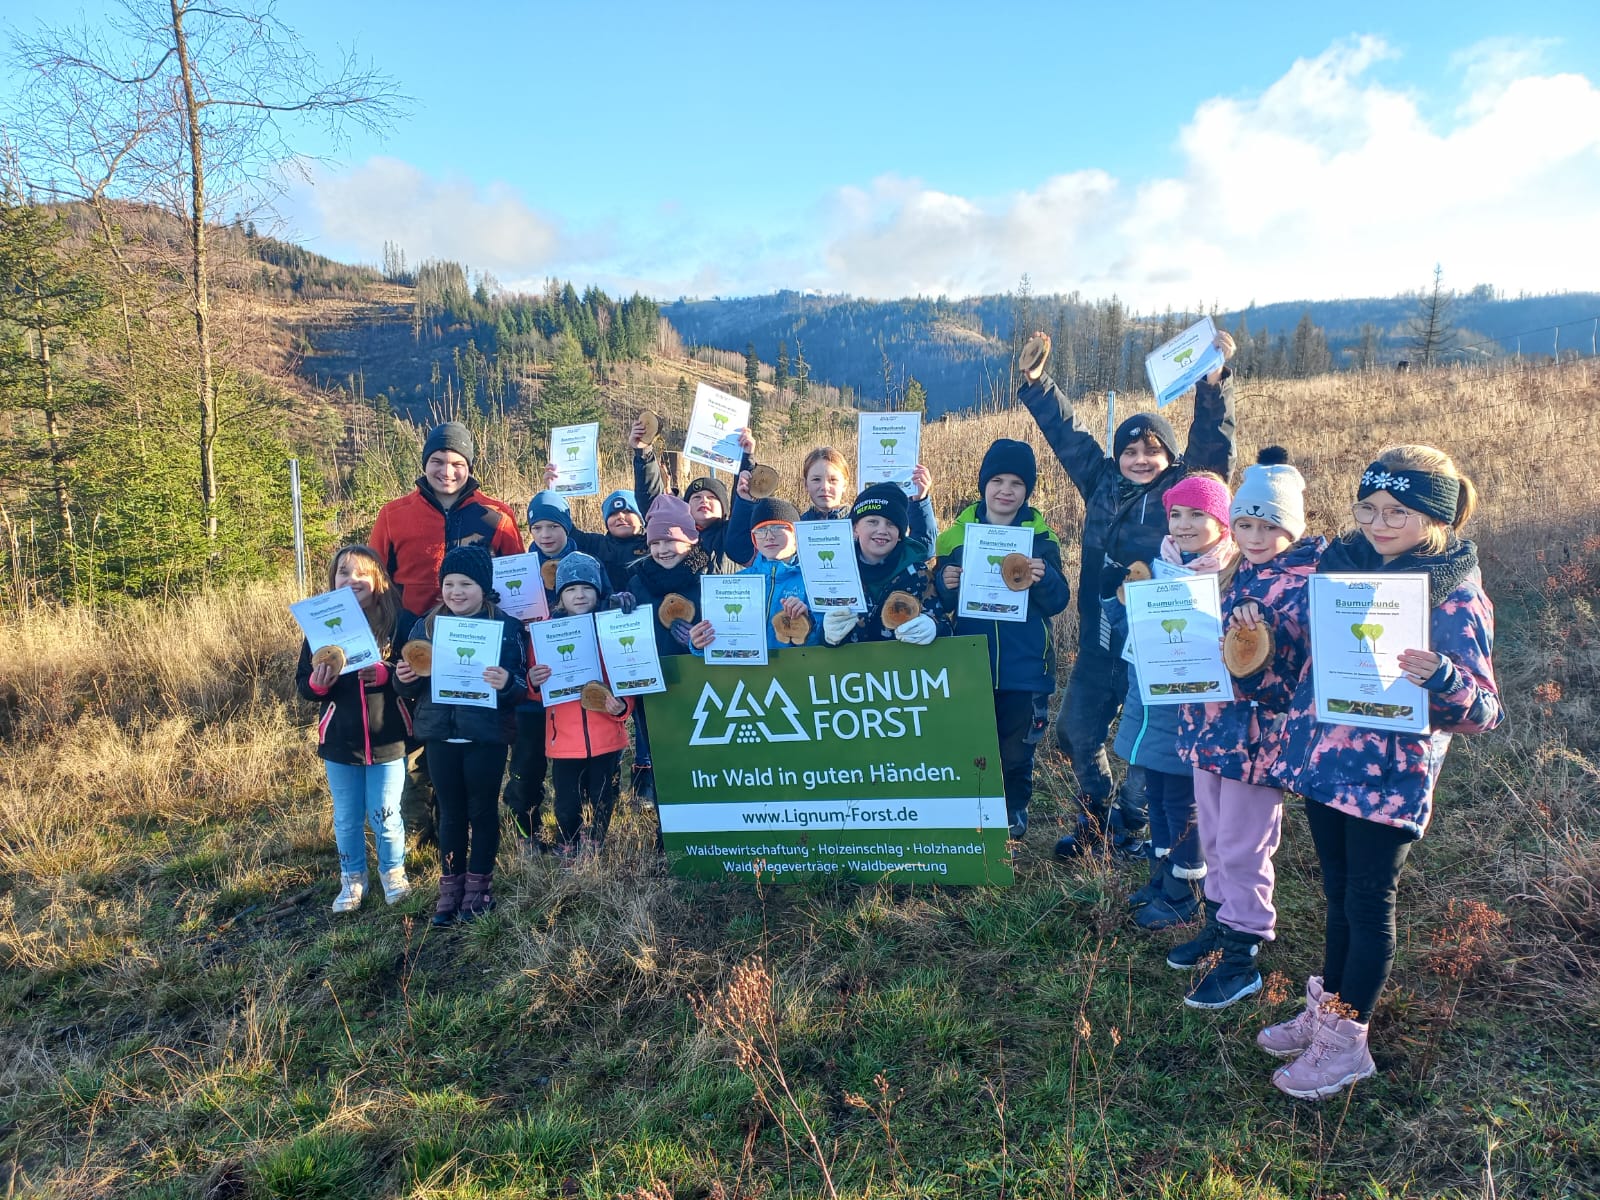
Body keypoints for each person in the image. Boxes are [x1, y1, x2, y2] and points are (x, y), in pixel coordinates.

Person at [1260, 445, 1501, 1100]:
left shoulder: (1453, 595)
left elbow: (1483, 710)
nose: (1378, 522)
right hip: (1328, 764)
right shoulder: (1342, 569)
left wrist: (1443, 678)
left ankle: (1346, 1045)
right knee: (1337, 897)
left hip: (1388, 779)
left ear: (1437, 517)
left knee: (1368, 906)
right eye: (1368, 507)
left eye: (1397, 510)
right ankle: (1327, 1010)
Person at [1016, 331, 1237, 859]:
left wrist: (1213, 383)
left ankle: (1130, 820)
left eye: (1151, 451)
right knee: (1074, 733)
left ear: (1169, 456)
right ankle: (1095, 814)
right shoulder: (1100, 482)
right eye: (1130, 451)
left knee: (1148, 747)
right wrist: (1035, 384)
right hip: (1101, 633)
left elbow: (1212, 445)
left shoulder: (1182, 492)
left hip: (1160, 642)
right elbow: (1068, 435)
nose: (1140, 459)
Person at [1170, 449, 1323, 1008]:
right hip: (1208, 727)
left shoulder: (1307, 583)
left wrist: (1265, 644)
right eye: (1246, 524)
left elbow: (1301, 669)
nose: (1255, 536)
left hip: (1256, 738)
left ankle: (1244, 954)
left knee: (1244, 844)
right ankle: (1218, 921)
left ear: (1291, 527)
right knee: (1212, 838)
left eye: (1269, 526)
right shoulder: (1237, 568)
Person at [370, 421, 524, 843]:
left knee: (470, 725)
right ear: (425, 463)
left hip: (479, 641)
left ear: (469, 466)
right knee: (420, 729)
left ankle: (474, 819)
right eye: (437, 461)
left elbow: (517, 578)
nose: (447, 470)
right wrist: (389, 633)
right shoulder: (394, 514)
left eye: (457, 462)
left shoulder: (496, 515)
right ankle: (421, 827)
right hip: (414, 636)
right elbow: (374, 578)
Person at [1115, 472, 1238, 930]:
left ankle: (1186, 888)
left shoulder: (1229, 575)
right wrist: (1124, 604)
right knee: (1160, 794)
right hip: (1153, 703)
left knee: (1185, 801)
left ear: (1222, 524)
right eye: (1177, 514)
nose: (1184, 525)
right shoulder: (1160, 564)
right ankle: (1163, 874)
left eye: (1198, 515)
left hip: (1195, 711)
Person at [933, 439, 1070, 840]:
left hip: (1024, 666)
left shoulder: (1042, 539)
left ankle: (1013, 810)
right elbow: (943, 599)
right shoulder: (954, 538)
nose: (1005, 490)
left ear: (1028, 489)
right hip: (970, 664)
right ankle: (974, 807)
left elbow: (1059, 602)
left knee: (1016, 748)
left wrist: (1045, 579)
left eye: (1016, 482)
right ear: (983, 484)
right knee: (973, 740)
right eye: (997, 480)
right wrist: (946, 582)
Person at [392, 545, 528, 926]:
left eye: (465, 584)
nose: (456, 592)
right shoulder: (427, 625)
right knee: (449, 813)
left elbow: (518, 685)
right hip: (439, 735)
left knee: (482, 811)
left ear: (483, 588)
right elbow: (409, 686)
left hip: (485, 737)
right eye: (449, 583)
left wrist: (505, 683)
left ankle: (478, 888)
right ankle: (449, 889)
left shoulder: (507, 627)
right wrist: (403, 681)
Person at [294, 546, 412, 913]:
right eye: (343, 573)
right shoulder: (319, 628)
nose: (352, 579)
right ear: (333, 581)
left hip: (388, 739)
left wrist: (388, 674)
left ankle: (393, 872)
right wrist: (319, 683)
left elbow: (419, 676)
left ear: (378, 579)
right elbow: (303, 685)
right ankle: (352, 878)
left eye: (361, 573)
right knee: (346, 816)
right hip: (340, 742)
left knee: (386, 812)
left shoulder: (399, 621)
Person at [532, 553, 634, 855]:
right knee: (566, 800)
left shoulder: (611, 627)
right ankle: (568, 842)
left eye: (587, 588)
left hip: (606, 735)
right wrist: (534, 680)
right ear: (560, 595)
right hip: (563, 739)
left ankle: (596, 843)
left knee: (604, 796)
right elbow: (536, 685)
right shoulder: (545, 631)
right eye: (571, 589)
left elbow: (626, 674)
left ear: (598, 591)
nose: (580, 595)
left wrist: (623, 706)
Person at [724, 436, 938, 567]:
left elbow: (923, 550)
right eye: (816, 479)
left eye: (833, 480)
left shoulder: (865, 525)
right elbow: (740, 550)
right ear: (805, 484)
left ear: (846, 483)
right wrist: (745, 500)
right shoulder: (796, 527)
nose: (824, 487)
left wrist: (919, 501)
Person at [503, 490, 578, 854]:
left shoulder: (583, 563)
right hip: (530, 690)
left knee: (574, 767)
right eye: (537, 526)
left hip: (574, 690)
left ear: (567, 525)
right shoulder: (517, 570)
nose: (546, 534)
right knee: (526, 764)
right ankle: (525, 830)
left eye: (554, 526)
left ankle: (576, 834)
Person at [821, 483, 946, 648]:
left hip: (903, 670)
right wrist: (827, 637)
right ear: (855, 529)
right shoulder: (835, 573)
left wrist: (934, 628)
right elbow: (810, 641)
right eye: (872, 522)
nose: (882, 530)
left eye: (891, 524)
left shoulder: (917, 574)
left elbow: (945, 624)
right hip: (850, 671)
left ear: (900, 535)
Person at [693, 497, 822, 653]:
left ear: (796, 536)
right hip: (747, 675)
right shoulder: (736, 583)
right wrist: (698, 644)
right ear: (754, 539)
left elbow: (827, 641)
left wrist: (806, 625)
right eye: (761, 530)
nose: (769, 536)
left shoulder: (814, 581)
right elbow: (718, 643)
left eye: (777, 527)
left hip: (794, 673)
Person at [631, 417, 741, 574]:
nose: (703, 500)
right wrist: (644, 453)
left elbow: (743, 504)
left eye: (712, 497)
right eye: (696, 497)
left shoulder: (732, 536)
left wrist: (745, 460)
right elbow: (651, 500)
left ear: (725, 509)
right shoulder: (672, 532)